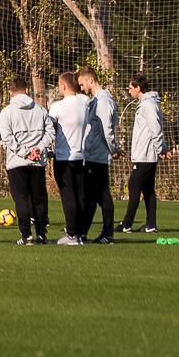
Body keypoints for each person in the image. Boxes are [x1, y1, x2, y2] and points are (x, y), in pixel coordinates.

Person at [0, 76, 55, 244]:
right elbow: (50, 132)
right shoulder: (40, 110)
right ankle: (41, 234)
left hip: (17, 162)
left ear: (10, 92)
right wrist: (39, 149)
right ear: (27, 90)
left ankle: (26, 235)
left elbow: (7, 138)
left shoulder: (7, 112)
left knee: (21, 198)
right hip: (37, 161)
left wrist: (25, 152)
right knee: (39, 198)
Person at [47, 71, 95, 244]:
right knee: (80, 194)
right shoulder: (84, 102)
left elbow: (49, 128)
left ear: (63, 86)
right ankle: (80, 232)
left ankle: (72, 233)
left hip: (63, 157)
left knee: (68, 196)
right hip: (81, 156)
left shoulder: (57, 106)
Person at [77, 67, 120, 244]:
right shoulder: (96, 101)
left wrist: (114, 149)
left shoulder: (103, 101)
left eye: (82, 84)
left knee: (102, 195)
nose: (81, 88)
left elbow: (106, 129)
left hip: (98, 156)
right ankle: (83, 232)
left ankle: (107, 233)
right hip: (92, 155)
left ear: (90, 80)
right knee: (91, 196)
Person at [121, 74, 168, 233]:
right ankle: (151, 225)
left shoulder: (148, 105)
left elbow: (156, 128)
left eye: (130, 88)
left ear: (138, 88)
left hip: (145, 155)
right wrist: (163, 148)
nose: (129, 91)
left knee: (134, 185)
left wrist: (161, 148)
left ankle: (127, 224)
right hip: (145, 154)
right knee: (148, 189)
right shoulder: (146, 104)